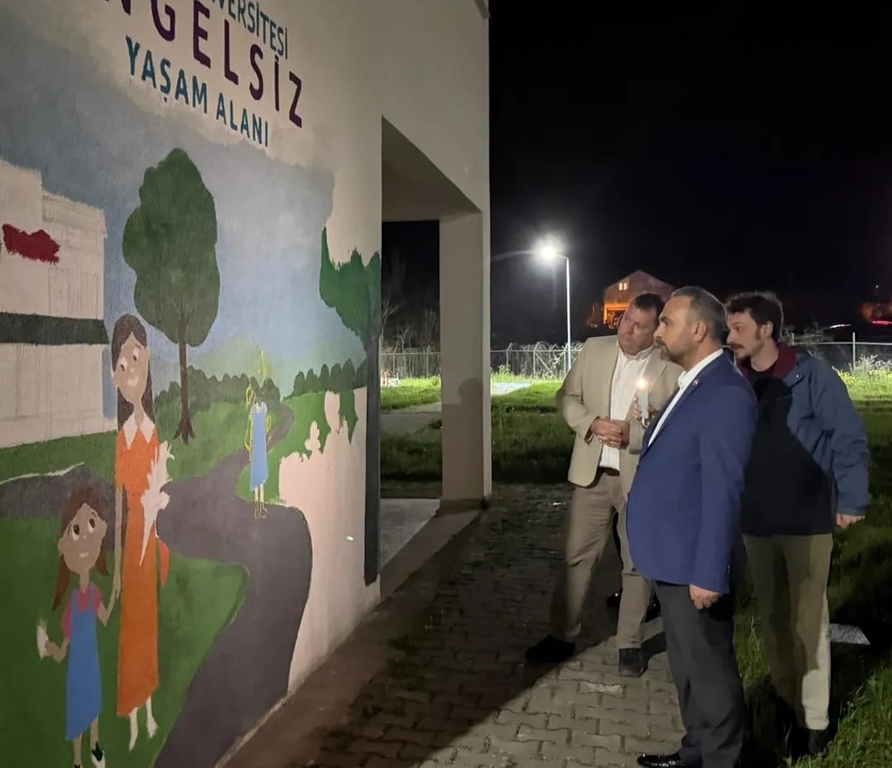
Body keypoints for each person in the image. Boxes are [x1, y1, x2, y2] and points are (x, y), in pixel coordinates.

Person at [725, 291, 869, 758]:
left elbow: (847, 436)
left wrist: (852, 498)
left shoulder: (811, 375)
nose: (731, 337)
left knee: (808, 622)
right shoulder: (735, 381)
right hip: (756, 519)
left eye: (739, 328)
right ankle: (789, 702)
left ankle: (816, 722)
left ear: (766, 329)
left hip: (806, 519)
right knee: (773, 619)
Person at [627, 286, 756, 768]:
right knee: (686, 668)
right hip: (672, 558)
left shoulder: (726, 392)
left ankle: (723, 758)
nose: (658, 331)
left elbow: (724, 489)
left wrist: (710, 571)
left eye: (667, 322)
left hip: (694, 563)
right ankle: (695, 753)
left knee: (710, 673)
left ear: (698, 329)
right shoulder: (696, 383)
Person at [526, 293, 682, 677]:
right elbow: (567, 397)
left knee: (637, 563)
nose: (626, 329)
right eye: (626, 319)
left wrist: (632, 435)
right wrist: (591, 424)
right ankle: (562, 635)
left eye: (638, 325)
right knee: (575, 556)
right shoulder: (594, 349)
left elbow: (675, 427)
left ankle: (629, 643)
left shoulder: (671, 367)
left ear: (654, 332)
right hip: (592, 475)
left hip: (640, 480)